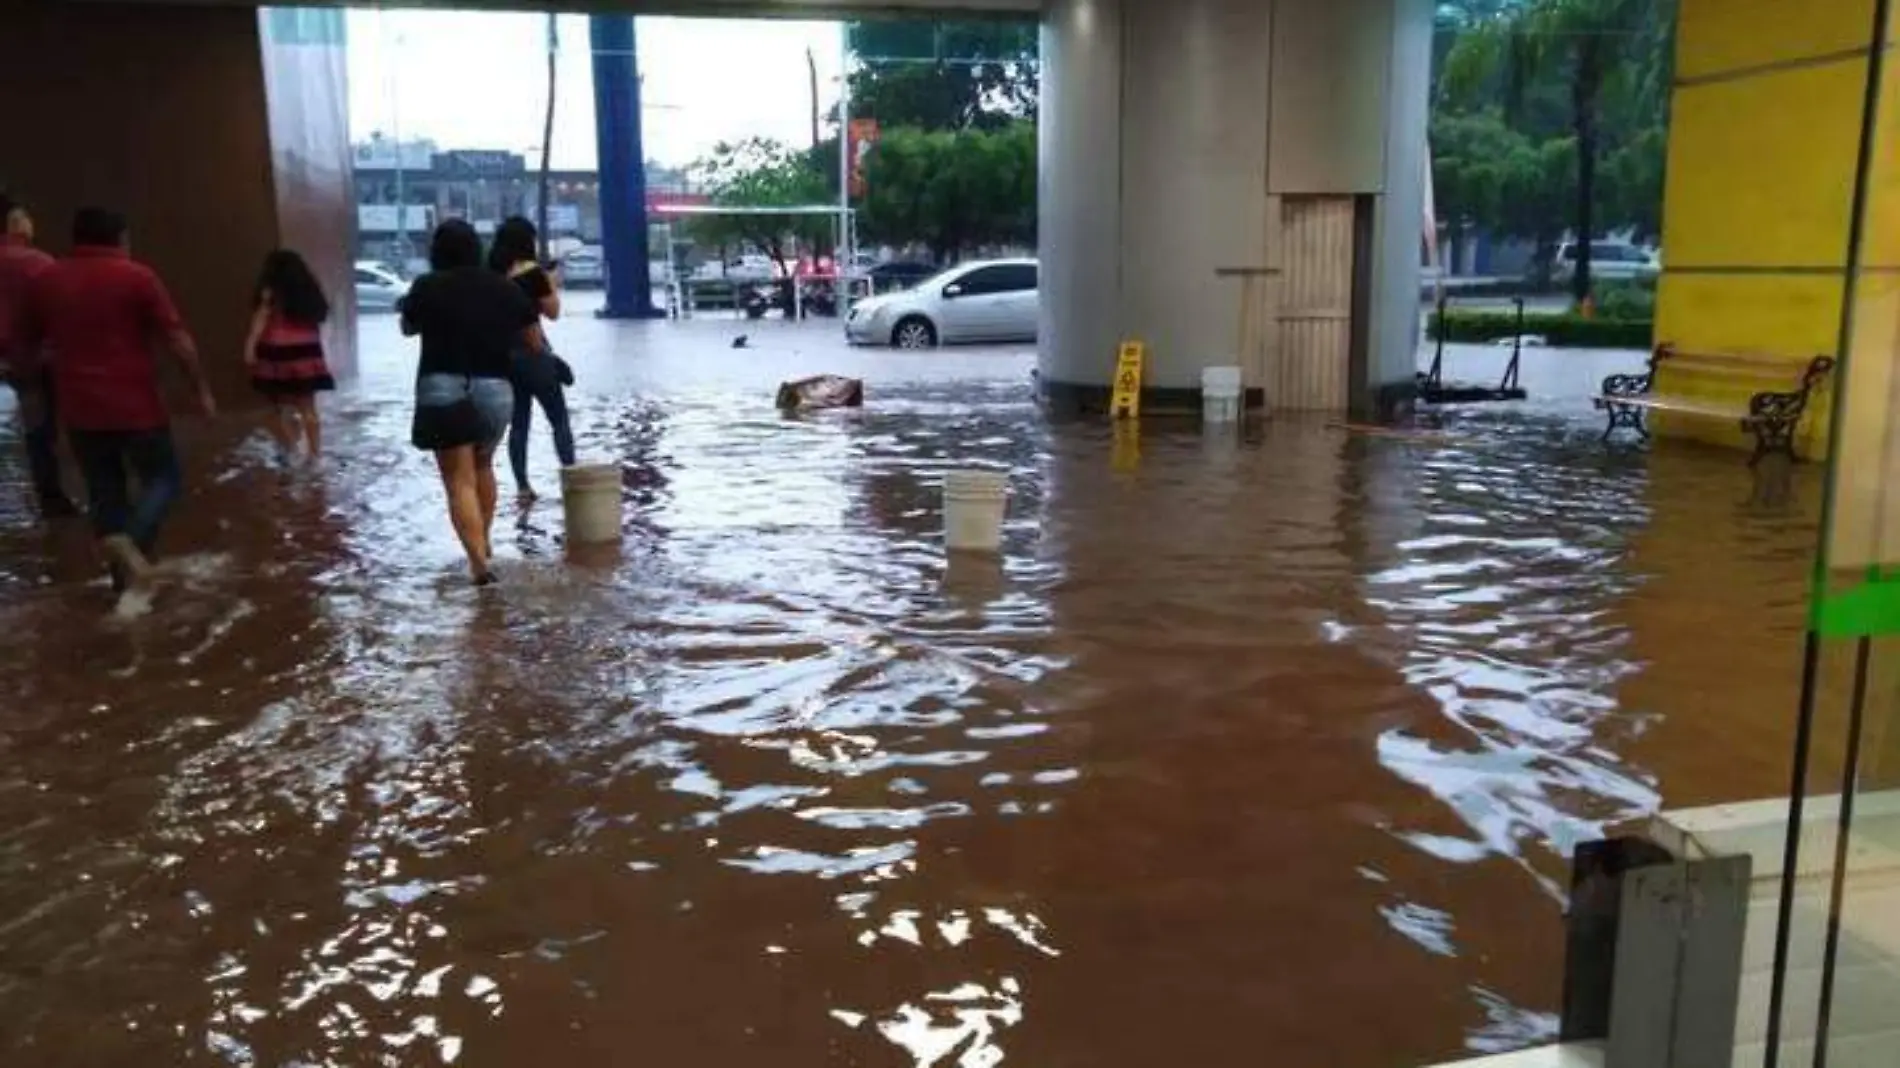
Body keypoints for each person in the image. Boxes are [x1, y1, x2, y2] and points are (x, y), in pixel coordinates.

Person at [22, 207, 215, 591]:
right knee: (164, 479)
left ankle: (122, 584)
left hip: (80, 410)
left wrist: (36, 391)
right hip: (136, 406)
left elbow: (27, 344)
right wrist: (201, 391)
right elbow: (177, 340)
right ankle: (130, 538)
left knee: (103, 490)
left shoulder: (47, 280)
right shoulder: (137, 277)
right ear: (121, 238)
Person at [400, 219, 537, 585]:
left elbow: (408, 327)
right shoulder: (503, 288)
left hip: (441, 384)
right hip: (496, 388)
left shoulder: (427, 285)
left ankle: (478, 564)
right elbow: (533, 339)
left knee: (458, 480)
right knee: (482, 467)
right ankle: (485, 543)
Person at [0, 193, 77, 517]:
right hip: (33, 361)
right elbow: (65, 311)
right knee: (40, 430)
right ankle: (51, 498)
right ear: (15, 223)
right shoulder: (38, 263)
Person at [488, 215, 574, 499]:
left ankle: (523, 487)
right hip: (534, 353)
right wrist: (550, 280)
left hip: (503, 358)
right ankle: (571, 477)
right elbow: (553, 311)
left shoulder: (492, 275)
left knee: (519, 423)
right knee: (558, 419)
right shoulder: (532, 273)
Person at [243, 249, 335, 462]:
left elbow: (260, 321)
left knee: (279, 407)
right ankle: (314, 455)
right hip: (307, 352)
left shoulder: (270, 293)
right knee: (308, 408)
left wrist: (249, 347)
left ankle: (289, 450)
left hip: (277, 352)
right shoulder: (309, 292)